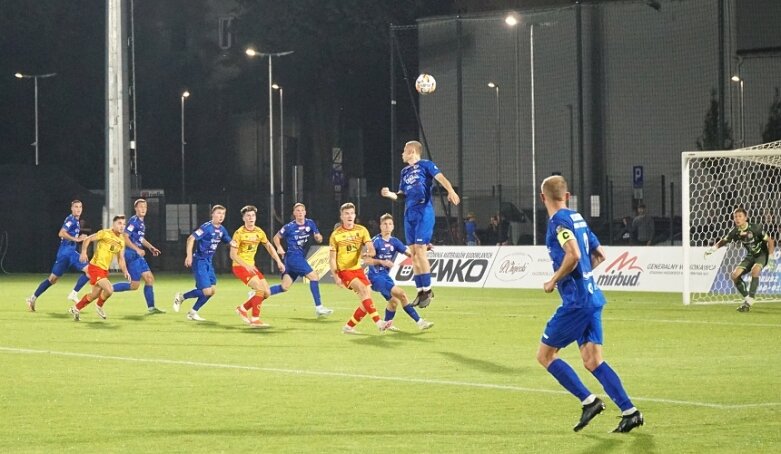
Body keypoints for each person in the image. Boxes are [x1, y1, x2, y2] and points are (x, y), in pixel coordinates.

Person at [538, 175, 643, 433]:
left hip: (576, 303)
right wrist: (583, 276)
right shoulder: (578, 218)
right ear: (567, 195)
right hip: (592, 297)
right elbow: (599, 254)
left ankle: (589, 401)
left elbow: (573, 254)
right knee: (593, 360)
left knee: (545, 355)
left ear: (543, 198)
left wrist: (554, 279)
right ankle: (630, 412)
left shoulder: (558, 221)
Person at [381, 140, 460, 308]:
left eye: (404, 150)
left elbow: (441, 178)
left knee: (421, 251)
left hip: (423, 211)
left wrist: (451, 191)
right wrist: (390, 194)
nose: (402, 153)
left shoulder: (426, 165)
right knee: (414, 254)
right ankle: (421, 291)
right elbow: (401, 195)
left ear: (411, 151)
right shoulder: (404, 172)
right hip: (408, 214)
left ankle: (428, 290)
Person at [329, 203, 392, 334]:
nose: (349, 216)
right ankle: (379, 323)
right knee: (363, 291)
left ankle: (348, 327)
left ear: (355, 215)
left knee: (366, 300)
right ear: (341, 216)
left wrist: (369, 252)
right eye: (346, 213)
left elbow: (372, 249)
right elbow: (332, 258)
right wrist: (336, 277)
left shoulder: (362, 230)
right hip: (344, 270)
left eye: (352, 213)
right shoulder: (336, 235)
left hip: (358, 269)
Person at [364, 213, 434, 331]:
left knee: (394, 301)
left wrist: (424, 249)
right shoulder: (375, 241)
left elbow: (410, 254)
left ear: (393, 226)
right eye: (385, 224)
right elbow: (366, 260)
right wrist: (382, 262)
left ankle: (385, 325)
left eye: (390, 224)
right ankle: (420, 322)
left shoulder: (395, 241)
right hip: (375, 276)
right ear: (380, 226)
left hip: (385, 276)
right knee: (402, 294)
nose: (387, 226)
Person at [268, 203, 333, 317]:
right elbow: (276, 237)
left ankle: (257, 294)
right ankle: (319, 307)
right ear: (294, 213)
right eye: (297, 211)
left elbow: (319, 237)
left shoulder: (310, 223)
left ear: (305, 212)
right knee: (314, 277)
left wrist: (318, 237)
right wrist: (279, 247)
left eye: (302, 210)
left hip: (295, 258)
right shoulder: (289, 227)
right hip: (294, 257)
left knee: (284, 287)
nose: (300, 212)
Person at [705, 207, 776, 312]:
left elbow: (770, 241)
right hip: (751, 256)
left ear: (745, 218)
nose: (737, 219)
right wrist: (712, 249)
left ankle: (751, 299)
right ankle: (747, 299)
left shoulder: (755, 228)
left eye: (740, 216)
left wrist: (770, 257)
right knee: (734, 275)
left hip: (762, 254)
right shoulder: (735, 232)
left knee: (755, 271)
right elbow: (724, 241)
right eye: (735, 217)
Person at [26, 200, 91, 312]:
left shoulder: (75, 220)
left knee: (52, 279)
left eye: (80, 207)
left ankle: (32, 298)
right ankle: (74, 294)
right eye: (76, 207)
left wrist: (78, 237)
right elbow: (61, 233)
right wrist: (76, 239)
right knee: (90, 271)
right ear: (71, 208)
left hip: (64, 253)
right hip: (68, 252)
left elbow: (68, 234)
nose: (78, 209)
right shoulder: (71, 220)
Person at [230, 205, 286, 328]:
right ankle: (255, 320)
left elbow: (269, 247)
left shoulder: (259, 232)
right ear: (243, 218)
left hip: (251, 267)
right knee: (260, 289)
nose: (251, 218)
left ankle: (243, 308)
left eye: (253, 216)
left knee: (266, 293)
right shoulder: (238, 233)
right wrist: (246, 265)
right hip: (239, 266)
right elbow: (232, 255)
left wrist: (278, 261)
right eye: (248, 216)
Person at [173, 205, 232, 321]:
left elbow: (228, 239)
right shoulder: (206, 227)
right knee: (206, 291)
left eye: (223, 214)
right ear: (212, 214)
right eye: (218, 213)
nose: (221, 216)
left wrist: (235, 243)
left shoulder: (221, 229)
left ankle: (192, 312)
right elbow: (191, 238)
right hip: (199, 261)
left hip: (208, 262)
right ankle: (181, 297)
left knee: (212, 291)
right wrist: (189, 255)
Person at [68, 215, 130, 321]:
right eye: (119, 223)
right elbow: (87, 239)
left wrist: (125, 271)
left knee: (94, 295)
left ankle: (76, 308)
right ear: (114, 224)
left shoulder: (121, 241)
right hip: (95, 267)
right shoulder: (105, 233)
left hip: (104, 270)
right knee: (109, 290)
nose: (122, 226)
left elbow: (121, 258)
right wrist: (83, 252)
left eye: (124, 224)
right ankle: (99, 306)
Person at [111, 199, 165, 314]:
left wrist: (151, 247)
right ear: (135, 208)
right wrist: (137, 249)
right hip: (131, 254)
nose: (143, 209)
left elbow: (140, 239)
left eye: (145, 207)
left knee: (149, 279)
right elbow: (125, 237)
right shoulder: (133, 221)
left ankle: (151, 308)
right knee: (134, 285)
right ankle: (107, 288)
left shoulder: (141, 223)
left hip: (137, 254)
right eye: (140, 207)